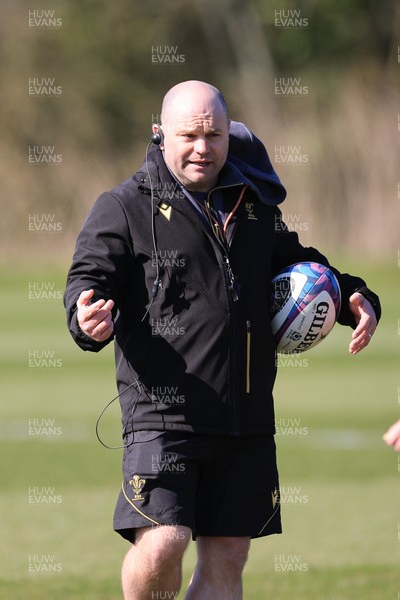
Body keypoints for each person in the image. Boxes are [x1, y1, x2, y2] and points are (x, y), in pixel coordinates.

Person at [64, 80, 381, 600]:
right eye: (189, 134)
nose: (202, 148)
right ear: (160, 133)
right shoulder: (123, 207)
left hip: (245, 417)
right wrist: (86, 315)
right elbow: (88, 279)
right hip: (164, 416)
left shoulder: (251, 204)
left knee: (228, 556)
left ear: (228, 136)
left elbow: (293, 261)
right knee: (165, 541)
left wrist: (351, 294)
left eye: (213, 135)